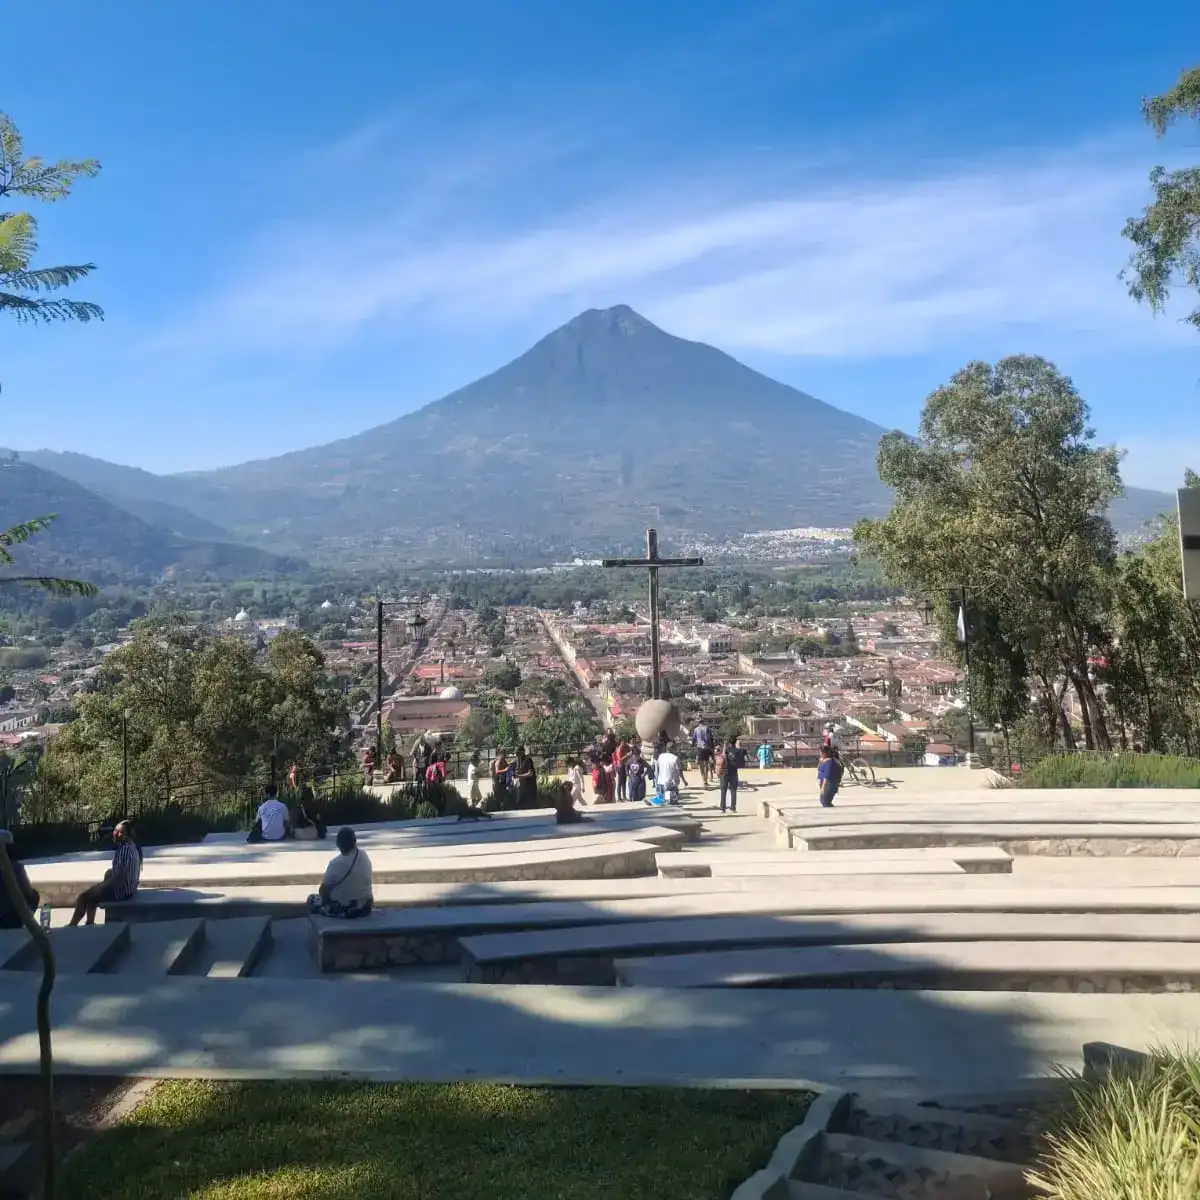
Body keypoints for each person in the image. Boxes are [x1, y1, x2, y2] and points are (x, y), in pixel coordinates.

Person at [69, 820, 141, 926]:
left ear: (127, 835)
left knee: (83, 897)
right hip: (128, 889)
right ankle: (89, 923)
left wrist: (102, 887)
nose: (116, 833)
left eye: (120, 832)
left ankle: (72, 925)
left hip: (121, 891)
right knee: (93, 895)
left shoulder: (125, 849)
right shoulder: (132, 846)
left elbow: (119, 877)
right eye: (115, 830)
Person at [307, 826, 373, 919]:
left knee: (312, 899)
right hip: (366, 905)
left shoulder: (335, 864)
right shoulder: (363, 854)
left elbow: (323, 891)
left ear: (338, 844)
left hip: (346, 908)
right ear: (355, 841)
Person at [0, 839, 39, 929]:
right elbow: (28, 892)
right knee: (34, 895)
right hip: (11, 917)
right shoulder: (16, 867)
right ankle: (27, 921)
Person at [720, 735, 748, 813]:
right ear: (735, 742)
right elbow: (744, 753)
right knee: (733, 790)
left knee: (723, 790)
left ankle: (722, 808)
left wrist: (725, 747)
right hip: (734, 772)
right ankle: (733, 808)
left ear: (728, 742)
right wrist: (738, 746)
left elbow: (723, 757)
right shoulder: (739, 751)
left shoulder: (726, 749)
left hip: (725, 772)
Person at [653, 740, 682, 806]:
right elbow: (679, 771)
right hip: (670, 784)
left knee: (665, 799)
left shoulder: (660, 756)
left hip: (661, 782)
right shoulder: (675, 758)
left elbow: (657, 768)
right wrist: (681, 780)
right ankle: (668, 801)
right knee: (670, 802)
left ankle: (662, 801)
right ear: (673, 749)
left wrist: (657, 779)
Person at [691, 719, 715, 787]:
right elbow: (711, 738)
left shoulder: (696, 729)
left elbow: (693, 739)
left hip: (700, 747)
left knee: (701, 765)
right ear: (703, 721)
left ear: (698, 722)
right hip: (706, 747)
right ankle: (706, 780)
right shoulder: (707, 728)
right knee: (706, 764)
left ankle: (703, 779)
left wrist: (692, 744)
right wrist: (712, 746)